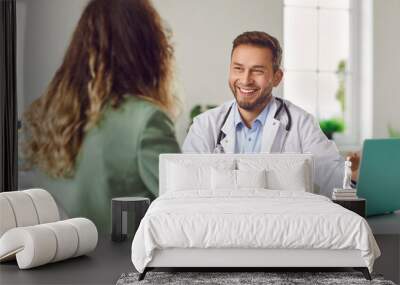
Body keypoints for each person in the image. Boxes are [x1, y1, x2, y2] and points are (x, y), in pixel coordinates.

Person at [22, 0, 180, 233]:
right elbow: (186, 209)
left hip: (57, 258)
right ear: (148, 47)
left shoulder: (46, 113)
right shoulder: (147, 119)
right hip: (122, 264)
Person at [183, 31, 357, 197]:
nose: (245, 80)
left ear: (277, 77)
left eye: (257, 71)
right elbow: (185, 189)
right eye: (238, 69)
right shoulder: (204, 126)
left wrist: (354, 174)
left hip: (280, 223)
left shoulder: (301, 124)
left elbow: (335, 181)